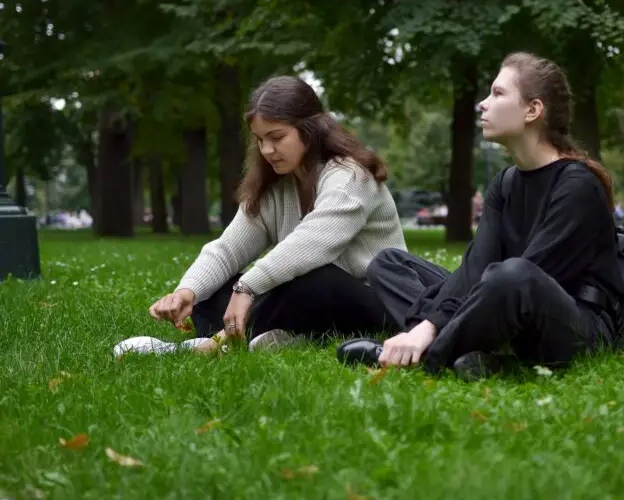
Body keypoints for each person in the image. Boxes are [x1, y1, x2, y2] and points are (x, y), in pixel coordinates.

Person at [360, 52, 624, 378]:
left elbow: (528, 277)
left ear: (533, 110)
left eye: (498, 94)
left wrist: (432, 329)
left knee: (511, 276)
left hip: (572, 322)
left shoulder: (578, 186)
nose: (483, 104)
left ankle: (427, 356)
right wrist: (429, 323)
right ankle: (457, 347)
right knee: (389, 263)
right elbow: (476, 267)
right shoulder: (506, 182)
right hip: (502, 294)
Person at [115, 75, 406, 357]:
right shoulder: (276, 185)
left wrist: (248, 288)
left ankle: (213, 344)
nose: (267, 150)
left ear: (310, 129)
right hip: (307, 300)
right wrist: (187, 292)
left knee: (316, 279)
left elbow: (311, 244)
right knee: (216, 289)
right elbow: (228, 249)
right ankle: (286, 336)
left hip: (375, 301)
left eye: (277, 137)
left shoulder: (350, 177)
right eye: (260, 140)